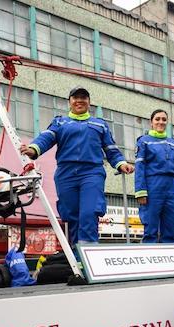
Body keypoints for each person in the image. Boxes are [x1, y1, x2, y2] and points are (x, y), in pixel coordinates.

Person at [20, 87, 134, 246]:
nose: (79, 100)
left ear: (89, 102)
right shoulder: (60, 122)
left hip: (92, 172)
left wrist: (121, 163)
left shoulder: (99, 124)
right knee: (71, 215)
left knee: (89, 212)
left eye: (83, 97)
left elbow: (111, 149)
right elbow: (46, 138)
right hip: (66, 174)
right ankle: (76, 255)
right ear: (69, 102)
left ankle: (88, 253)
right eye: (75, 97)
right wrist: (33, 149)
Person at [134, 109, 174, 242]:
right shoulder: (144, 141)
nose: (161, 122)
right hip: (153, 185)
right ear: (151, 122)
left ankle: (170, 259)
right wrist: (140, 191)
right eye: (157, 119)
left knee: (172, 228)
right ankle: (149, 258)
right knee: (150, 228)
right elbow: (140, 167)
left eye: (164, 119)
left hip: (172, 187)